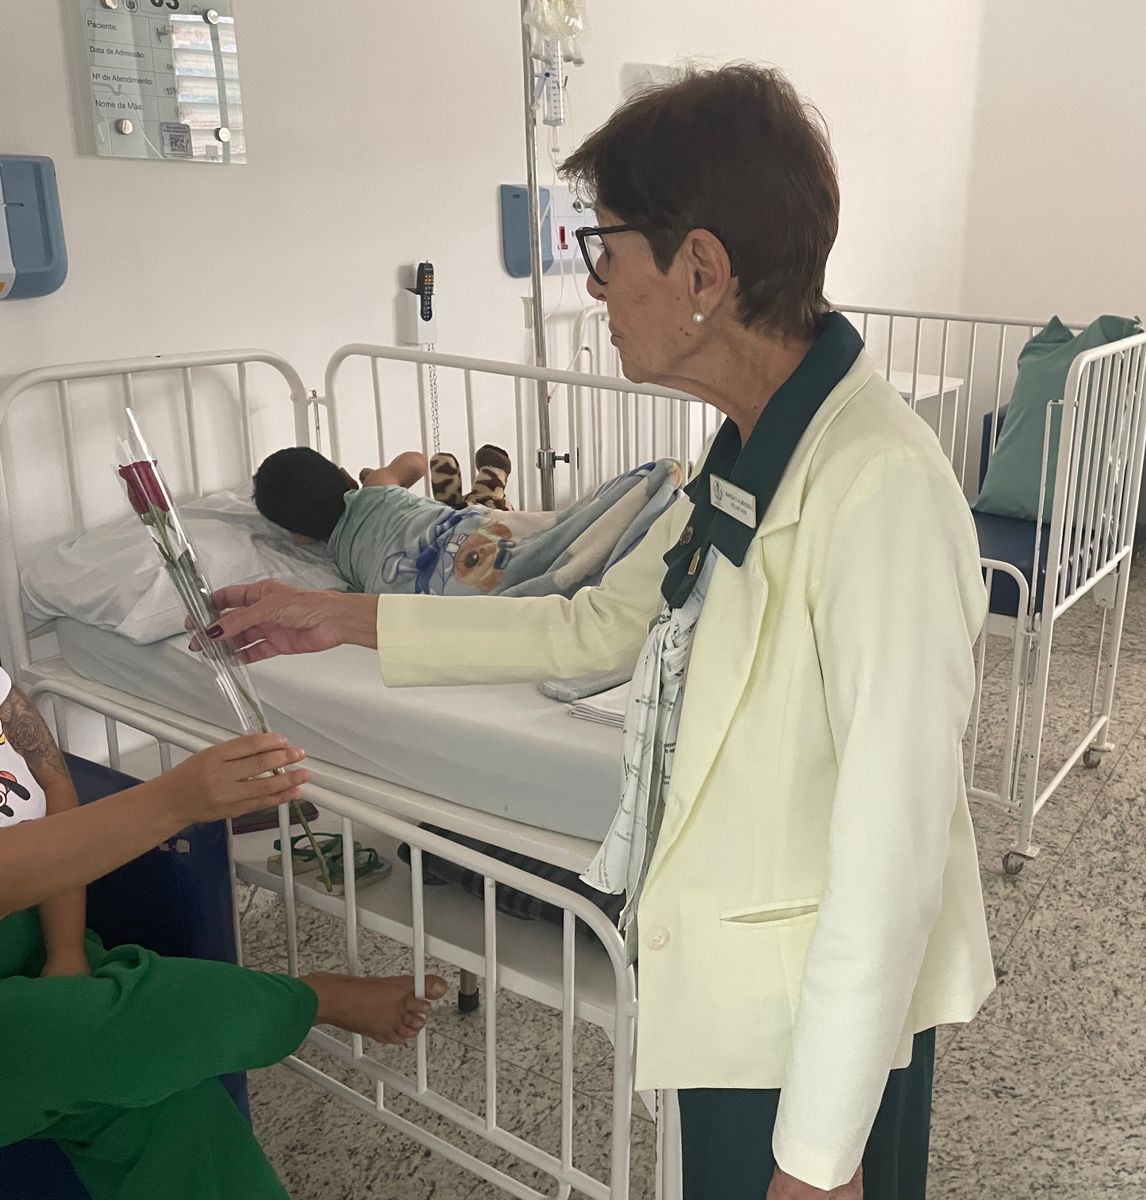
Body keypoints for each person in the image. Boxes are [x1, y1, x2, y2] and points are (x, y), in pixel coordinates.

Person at [204, 64, 993, 1200]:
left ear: (701, 270)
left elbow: (895, 842)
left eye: (605, 249)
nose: (594, 284)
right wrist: (342, 617)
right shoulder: (752, 444)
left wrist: (821, 1157)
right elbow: (592, 627)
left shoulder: (877, 487)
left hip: (814, 1033)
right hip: (744, 993)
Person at [0, 667, 447, 1199]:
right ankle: (309, 1000)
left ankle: (295, 1002)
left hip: (24, 934)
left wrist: (65, 950)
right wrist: (173, 803)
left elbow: (52, 780)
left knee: (168, 1104)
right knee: (105, 1029)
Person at [253, 444, 680, 599]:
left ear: (301, 536)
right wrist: (374, 476)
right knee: (542, 531)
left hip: (419, 578)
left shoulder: (343, 562)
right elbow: (416, 462)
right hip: (462, 532)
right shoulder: (373, 489)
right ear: (345, 477)